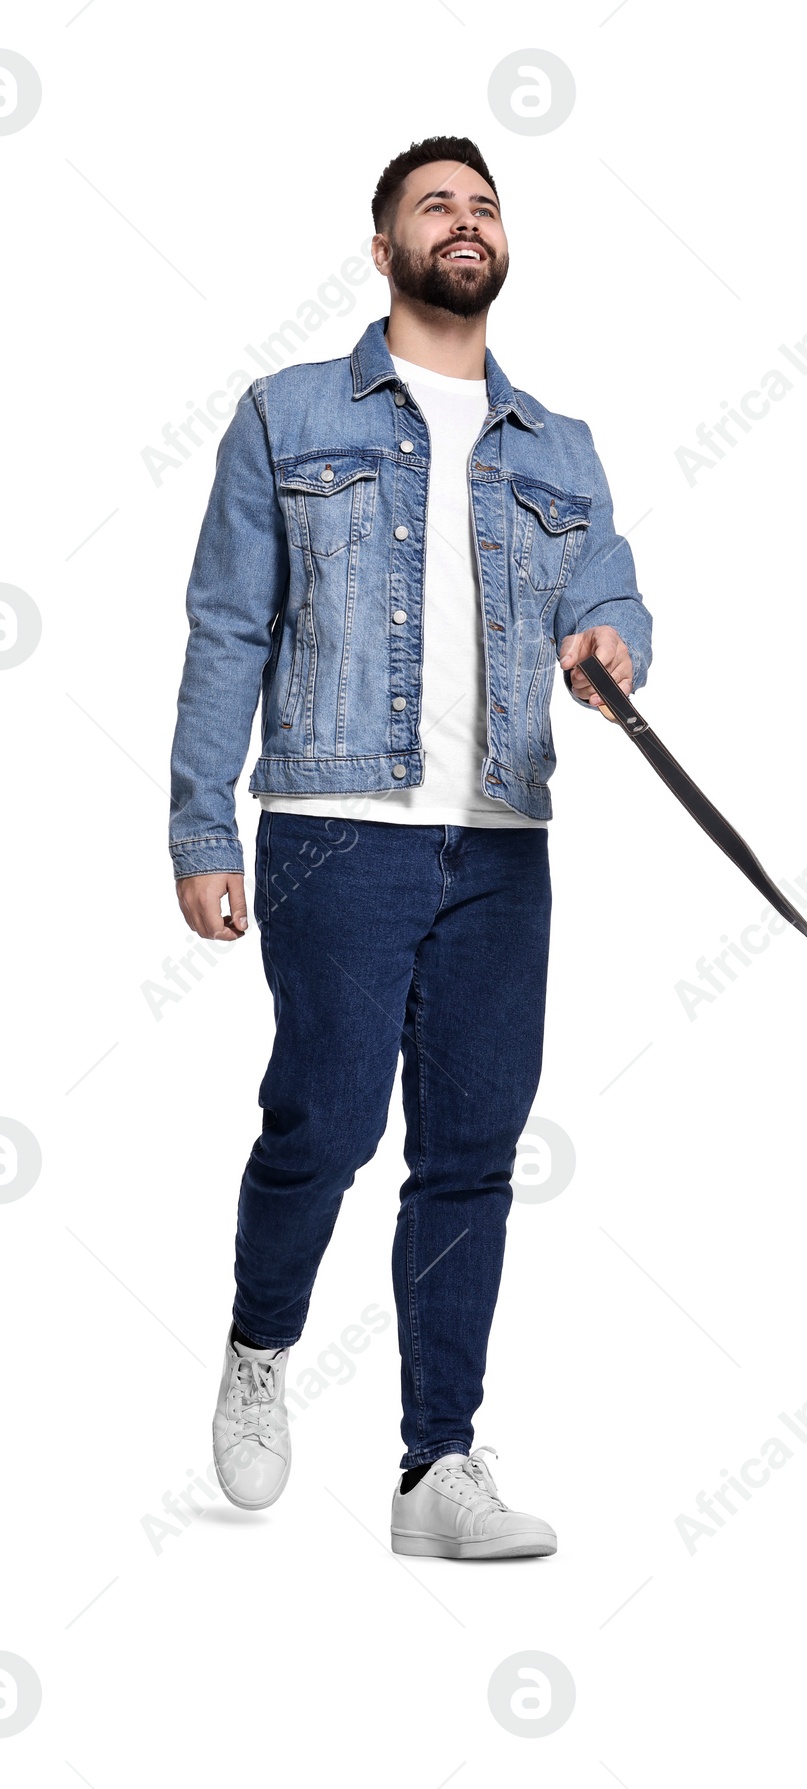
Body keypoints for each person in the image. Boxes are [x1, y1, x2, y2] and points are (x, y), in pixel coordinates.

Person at [167, 134, 650, 1559]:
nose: (465, 220)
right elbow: (226, 625)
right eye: (436, 203)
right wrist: (204, 820)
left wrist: (615, 638)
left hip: (503, 837)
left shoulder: (558, 445)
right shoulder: (287, 413)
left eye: (485, 204)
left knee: (473, 1149)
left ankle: (436, 1464)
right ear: (382, 248)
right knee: (326, 1119)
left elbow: (611, 580)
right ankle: (262, 1346)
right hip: (331, 828)